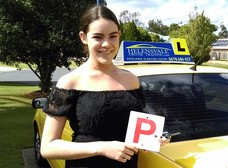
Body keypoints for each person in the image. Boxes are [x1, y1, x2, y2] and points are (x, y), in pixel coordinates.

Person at [41, 5, 168, 168]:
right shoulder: (69, 83)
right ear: (83, 37)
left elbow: (134, 133)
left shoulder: (131, 80)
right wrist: (101, 148)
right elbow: (48, 147)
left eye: (112, 36)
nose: (107, 44)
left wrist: (151, 139)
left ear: (119, 36)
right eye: (98, 37)